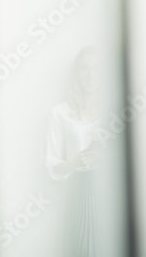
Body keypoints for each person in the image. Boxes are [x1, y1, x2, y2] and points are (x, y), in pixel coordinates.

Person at [45, 47, 103, 256]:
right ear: (76, 73)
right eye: (85, 68)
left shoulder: (114, 110)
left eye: (97, 68)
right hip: (81, 191)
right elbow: (51, 163)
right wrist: (74, 162)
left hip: (112, 189)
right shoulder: (59, 112)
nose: (91, 74)